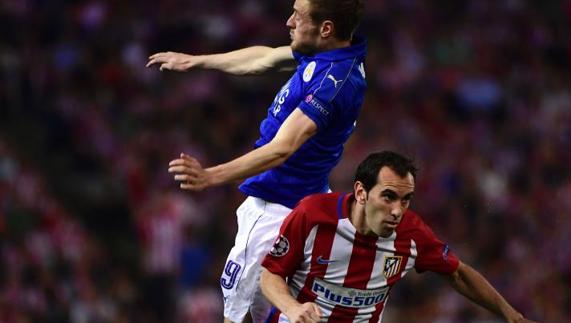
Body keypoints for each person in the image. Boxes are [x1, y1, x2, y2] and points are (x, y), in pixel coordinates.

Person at [147, 1, 366, 322]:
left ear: (326, 28)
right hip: (302, 201)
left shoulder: (331, 83)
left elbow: (282, 148)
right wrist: (196, 62)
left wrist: (211, 175)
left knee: (239, 316)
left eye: (298, 16)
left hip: (276, 211)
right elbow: (264, 59)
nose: (289, 21)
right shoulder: (331, 55)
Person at [260, 151, 539, 323]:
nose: (397, 210)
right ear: (361, 192)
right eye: (389, 197)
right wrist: (293, 309)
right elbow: (270, 275)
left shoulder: (412, 234)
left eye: (406, 200)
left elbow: (458, 274)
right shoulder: (313, 215)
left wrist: (512, 316)